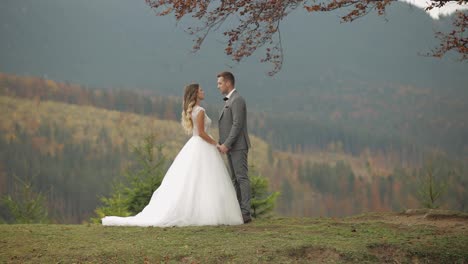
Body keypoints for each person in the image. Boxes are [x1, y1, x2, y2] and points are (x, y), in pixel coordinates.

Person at [101, 83, 243, 227]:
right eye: (200, 90)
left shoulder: (193, 110)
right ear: (195, 94)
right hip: (202, 145)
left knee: (196, 179)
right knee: (205, 179)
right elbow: (201, 132)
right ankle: (206, 214)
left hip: (195, 145)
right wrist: (215, 143)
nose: (203, 91)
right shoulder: (200, 110)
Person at [216, 71, 252, 224]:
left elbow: (237, 125)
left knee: (242, 178)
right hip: (231, 147)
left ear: (228, 83)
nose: (218, 86)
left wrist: (226, 144)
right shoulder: (229, 100)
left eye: (220, 83)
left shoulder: (237, 100)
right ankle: (238, 211)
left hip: (237, 146)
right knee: (235, 179)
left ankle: (245, 213)